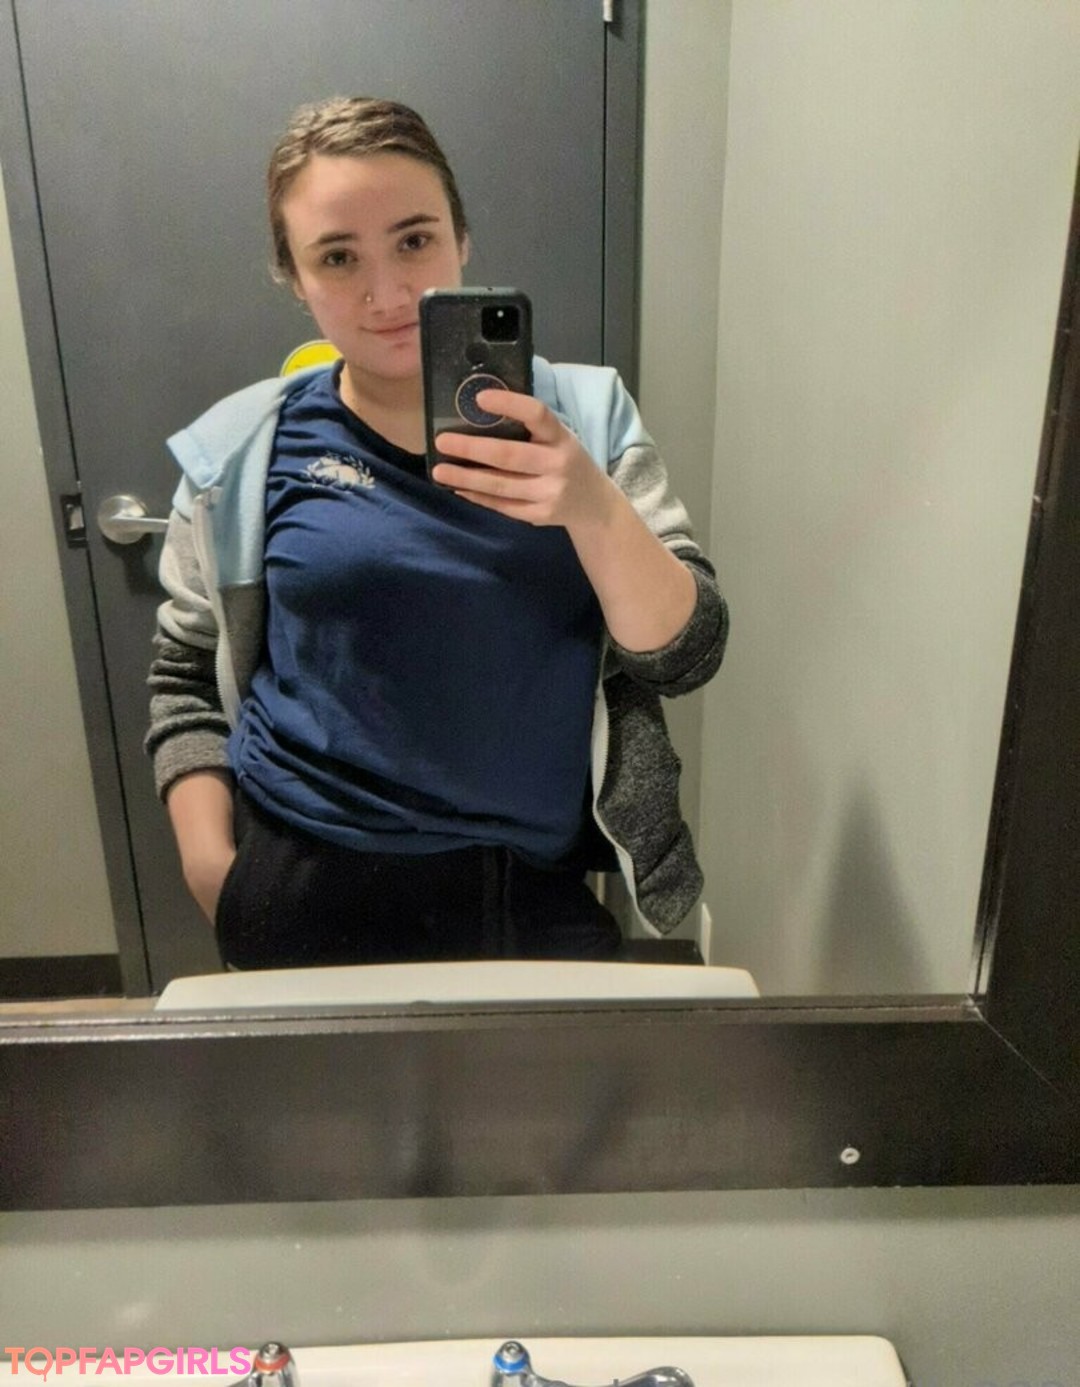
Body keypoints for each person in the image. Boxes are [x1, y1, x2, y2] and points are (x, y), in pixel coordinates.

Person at [146, 96, 728, 970]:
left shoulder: (589, 422)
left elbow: (687, 655)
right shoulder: (241, 452)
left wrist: (592, 506)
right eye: (338, 256)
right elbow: (185, 671)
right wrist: (212, 867)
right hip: (303, 881)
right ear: (294, 277)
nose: (388, 294)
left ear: (461, 237)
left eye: (414, 240)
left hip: (529, 887)